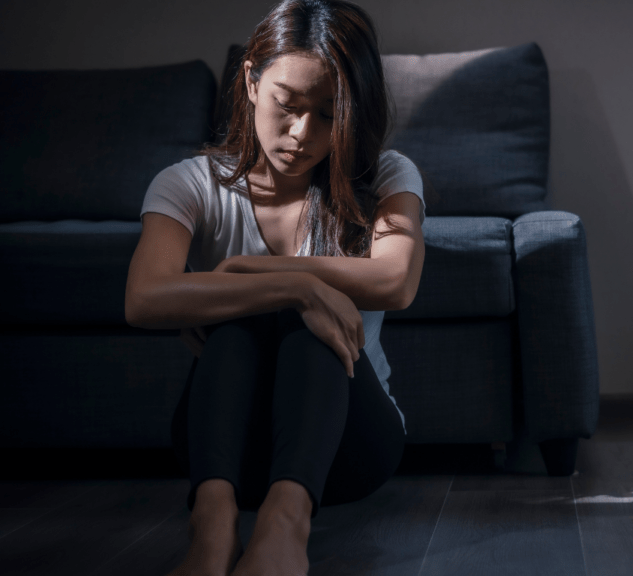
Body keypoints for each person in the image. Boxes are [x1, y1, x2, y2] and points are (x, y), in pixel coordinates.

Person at [124, 1, 424, 574]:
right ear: (251, 81)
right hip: (224, 450)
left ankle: (286, 527)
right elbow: (142, 297)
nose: (302, 134)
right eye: (287, 105)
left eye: (330, 115)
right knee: (263, 312)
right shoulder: (191, 183)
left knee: (306, 321)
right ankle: (211, 526)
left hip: (345, 445)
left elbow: (395, 280)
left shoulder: (386, 175)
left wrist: (243, 272)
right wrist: (299, 289)